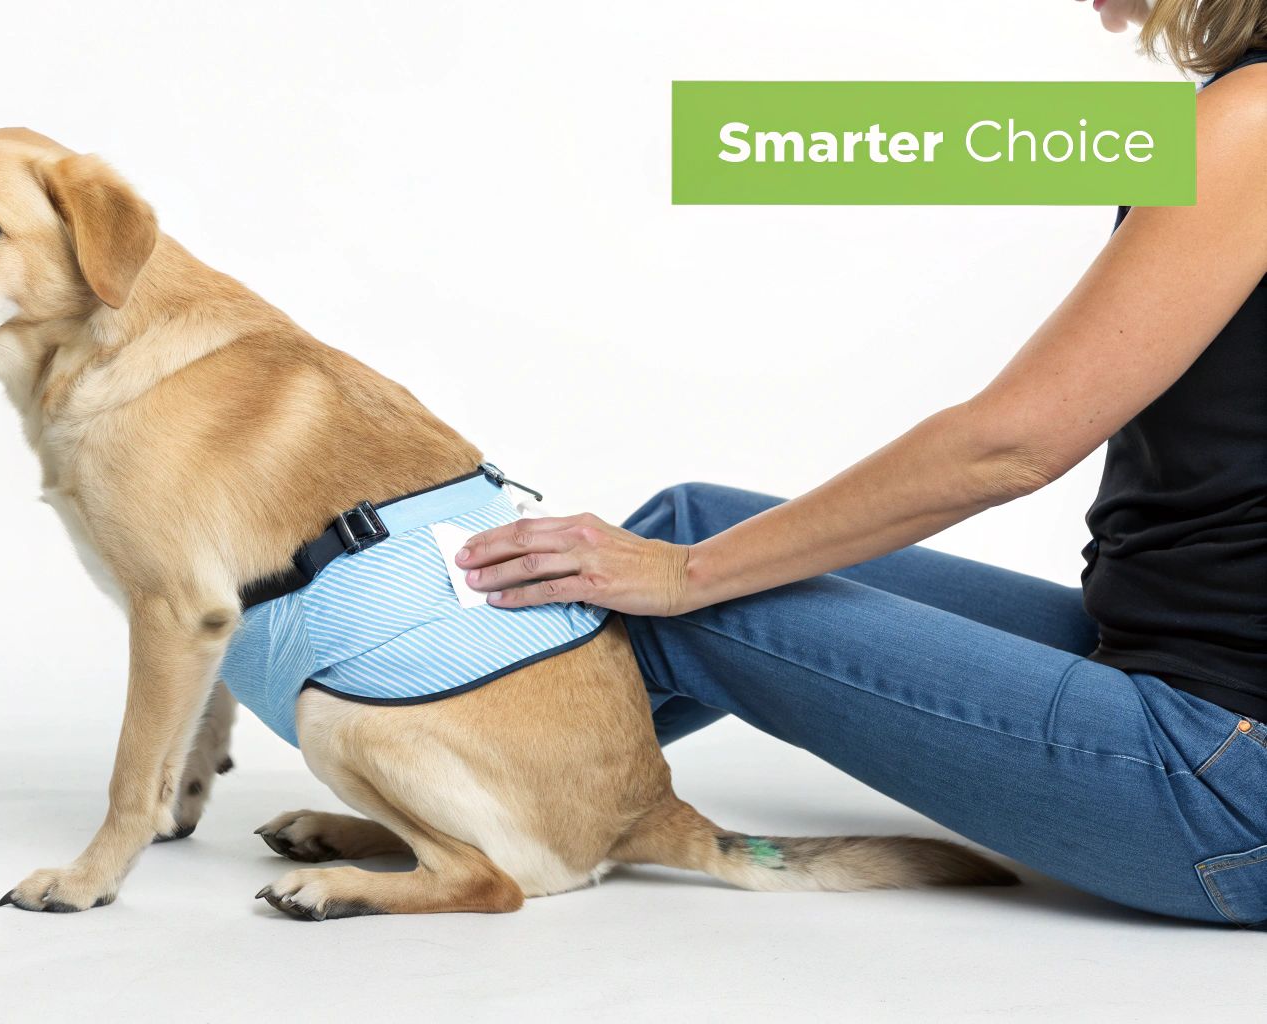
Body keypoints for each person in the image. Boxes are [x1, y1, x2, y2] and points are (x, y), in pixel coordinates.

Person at [456, 0, 1266, 927]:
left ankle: (456, 800)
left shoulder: (1253, 118)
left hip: (1228, 785)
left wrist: (688, 580)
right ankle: (480, 781)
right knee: (699, 522)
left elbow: (1011, 445)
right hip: (1171, 675)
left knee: (697, 590)